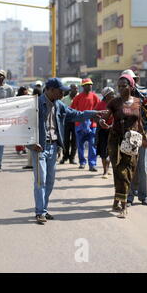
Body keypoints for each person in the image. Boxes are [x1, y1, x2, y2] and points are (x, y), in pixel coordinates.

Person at [29, 78, 103, 225]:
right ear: (50, 89)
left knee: (49, 181)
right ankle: (39, 212)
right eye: (60, 90)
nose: (63, 93)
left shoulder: (59, 105)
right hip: (39, 148)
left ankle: (43, 209)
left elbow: (76, 114)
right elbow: (24, 126)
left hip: (53, 147)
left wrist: (93, 113)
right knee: (40, 180)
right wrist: (30, 144)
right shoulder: (35, 104)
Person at [99, 74, 147, 218]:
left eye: (123, 86)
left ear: (131, 86)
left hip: (132, 141)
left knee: (129, 171)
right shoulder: (114, 102)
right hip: (115, 139)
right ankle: (123, 205)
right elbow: (106, 117)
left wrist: (144, 138)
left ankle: (117, 199)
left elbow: (139, 122)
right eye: (119, 86)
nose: (120, 88)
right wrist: (103, 122)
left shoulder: (138, 102)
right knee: (118, 170)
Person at [124, 69, 147, 206]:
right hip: (130, 135)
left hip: (144, 134)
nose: (126, 85)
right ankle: (130, 197)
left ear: (134, 82)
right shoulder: (124, 98)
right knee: (130, 166)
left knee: (143, 167)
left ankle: (143, 196)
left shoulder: (144, 95)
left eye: (128, 82)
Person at [70, 78, 100, 171]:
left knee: (92, 145)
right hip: (79, 124)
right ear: (83, 86)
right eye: (87, 85)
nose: (89, 86)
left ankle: (92, 164)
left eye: (90, 84)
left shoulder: (95, 97)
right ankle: (82, 162)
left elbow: (99, 109)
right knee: (80, 145)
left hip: (92, 125)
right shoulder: (77, 98)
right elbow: (72, 109)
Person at [95, 87, 115, 179]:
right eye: (111, 94)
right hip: (102, 131)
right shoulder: (100, 105)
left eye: (113, 93)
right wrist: (100, 121)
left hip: (114, 130)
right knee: (103, 151)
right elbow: (94, 116)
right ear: (106, 96)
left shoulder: (116, 104)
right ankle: (105, 171)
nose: (113, 95)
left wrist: (112, 126)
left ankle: (107, 168)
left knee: (111, 150)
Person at [60, 84, 79, 164]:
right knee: (66, 140)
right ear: (70, 89)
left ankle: (72, 158)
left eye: (77, 88)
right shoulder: (64, 99)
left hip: (76, 122)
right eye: (74, 88)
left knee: (75, 141)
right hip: (67, 122)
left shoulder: (79, 98)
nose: (76, 90)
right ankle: (65, 157)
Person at [15, 87, 29, 155]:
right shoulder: (17, 99)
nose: (27, 92)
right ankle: (19, 149)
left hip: (26, 119)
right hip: (18, 118)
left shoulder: (28, 98)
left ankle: (24, 148)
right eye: (25, 91)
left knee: (25, 134)